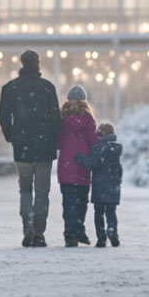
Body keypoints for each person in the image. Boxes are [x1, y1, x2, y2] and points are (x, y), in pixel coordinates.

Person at [0, 49, 61, 248]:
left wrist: (11, 136)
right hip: (44, 146)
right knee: (42, 191)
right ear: (38, 64)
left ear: (22, 63)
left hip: (22, 146)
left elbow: (3, 116)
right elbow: (55, 119)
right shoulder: (48, 88)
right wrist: (54, 139)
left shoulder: (10, 88)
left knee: (25, 188)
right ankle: (39, 233)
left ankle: (28, 221)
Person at [55, 85, 98, 247]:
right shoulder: (88, 118)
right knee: (81, 200)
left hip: (66, 165)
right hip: (82, 164)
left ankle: (70, 234)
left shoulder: (62, 118)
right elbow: (93, 140)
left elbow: (58, 141)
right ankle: (79, 228)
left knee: (68, 201)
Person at [76, 123, 123, 247]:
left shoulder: (97, 148)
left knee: (99, 213)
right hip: (113, 186)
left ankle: (101, 237)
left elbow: (91, 164)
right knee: (111, 211)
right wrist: (118, 181)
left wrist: (79, 157)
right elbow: (119, 169)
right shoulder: (116, 149)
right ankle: (112, 229)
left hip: (100, 187)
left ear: (101, 134)